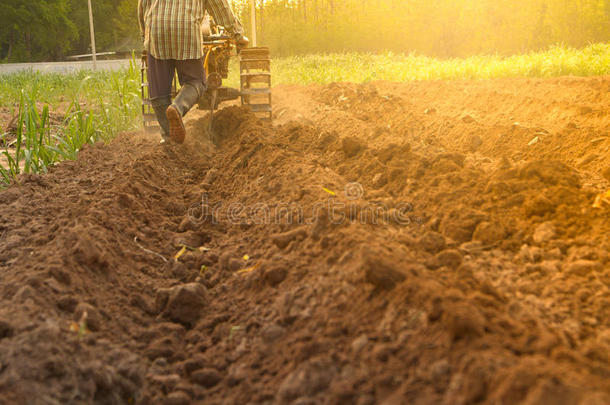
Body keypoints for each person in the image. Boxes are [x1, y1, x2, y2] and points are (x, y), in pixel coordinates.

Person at [138, 0, 248, 144]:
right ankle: (177, 107)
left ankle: (168, 137)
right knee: (196, 82)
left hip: (156, 29)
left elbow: (143, 6)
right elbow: (219, 6)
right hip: (186, 29)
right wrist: (237, 34)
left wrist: (145, 36)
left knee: (159, 92)